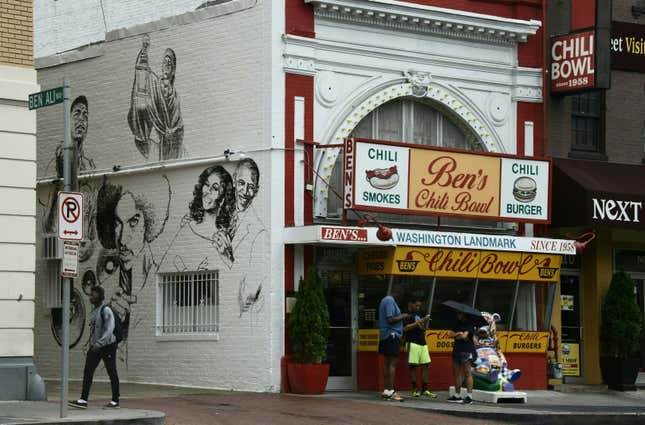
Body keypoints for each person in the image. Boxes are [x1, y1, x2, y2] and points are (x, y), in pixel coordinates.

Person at [128, 35, 184, 160]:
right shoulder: (156, 84)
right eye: (165, 61)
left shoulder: (176, 95)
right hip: (161, 139)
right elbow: (144, 75)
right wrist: (143, 54)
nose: (166, 65)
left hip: (173, 143)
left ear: (174, 70)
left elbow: (179, 124)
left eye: (169, 63)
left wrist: (173, 131)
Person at [69, 286, 120, 409]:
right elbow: (94, 331)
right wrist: (91, 344)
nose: (91, 297)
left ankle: (115, 400)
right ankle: (83, 400)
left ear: (100, 297)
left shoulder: (106, 310)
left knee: (111, 371)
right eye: (91, 295)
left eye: (93, 295)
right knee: (88, 371)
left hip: (107, 346)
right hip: (96, 346)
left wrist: (99, 343)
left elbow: (109, 329)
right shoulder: (94, 311)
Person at [378, 285, 408, 402]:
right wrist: (403, 316)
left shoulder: (384, 300)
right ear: (397, 292)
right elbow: (390, 319)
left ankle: (386, 391)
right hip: (392, 335)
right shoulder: (390, 301)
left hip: (385, 335)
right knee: (392, 364)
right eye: (400, 295)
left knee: (387, 363)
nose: (400, 298)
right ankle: (391, 391)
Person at [403, 299, 436, 398]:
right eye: (416, 305)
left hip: (422, 342)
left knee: (425, 365)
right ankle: (415, 389)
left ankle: (425, 389)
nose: (418, 308)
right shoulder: (407, 315)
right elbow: (405, 328)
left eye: (419, 306)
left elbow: (420, 327)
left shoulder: (420, 314)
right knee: (413, 367)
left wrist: (424, 327)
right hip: (412, 342)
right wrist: (420, 321)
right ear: (411, 304)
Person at [448, 311, 476, 404]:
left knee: (467, 373)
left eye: (460, 314)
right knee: (456, 373)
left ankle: (469, 396)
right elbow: (449, 335)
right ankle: (457, 395)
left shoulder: (469, 324)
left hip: (467, 351)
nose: (458, 315)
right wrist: (457, 334)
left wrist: (459, 335)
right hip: (457, 350)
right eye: (458, 313)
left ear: (464, 314)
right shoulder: (457, 323)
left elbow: (464, 336)